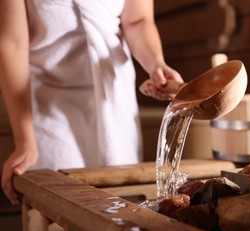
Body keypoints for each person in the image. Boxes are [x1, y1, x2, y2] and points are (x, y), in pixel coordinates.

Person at [0, 0, 183, 205]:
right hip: (48, 95)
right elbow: (12, 45)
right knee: (61, 205)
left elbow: (138, 21)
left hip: (112, 95)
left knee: (120, 204)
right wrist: (24, 141)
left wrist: (156, 64)